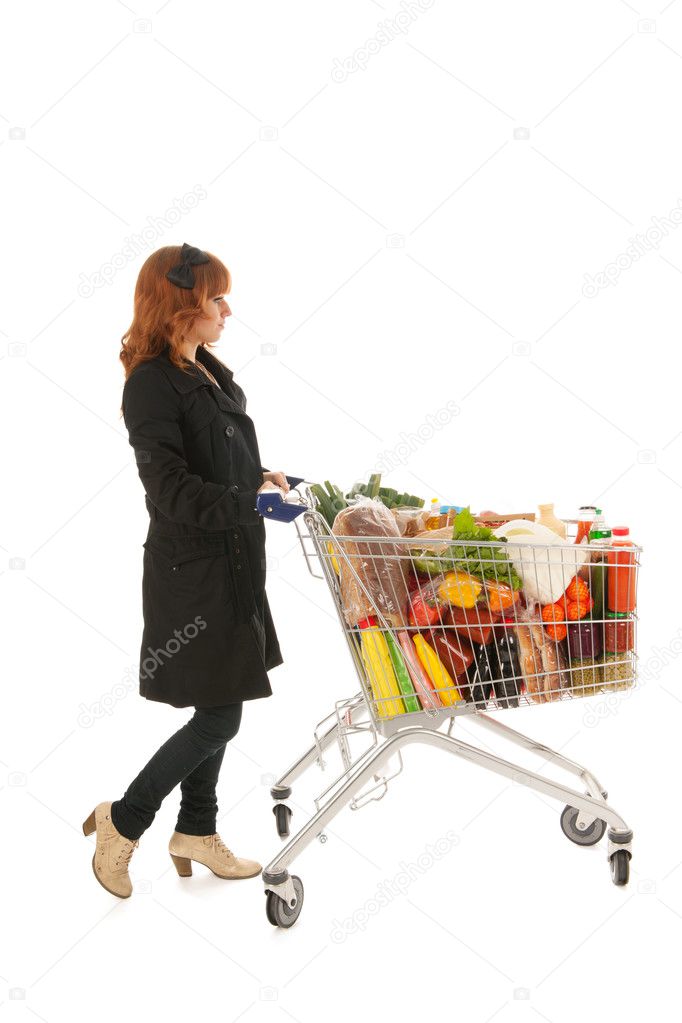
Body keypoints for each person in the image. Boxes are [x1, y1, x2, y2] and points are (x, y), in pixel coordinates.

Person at [82, 242, 288, 898]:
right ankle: (125, 818)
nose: (227, 309)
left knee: (222, 698)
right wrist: (245, 499)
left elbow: (216, 463)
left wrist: (262, 479)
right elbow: (168, 488)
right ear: (180, 307)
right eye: (215, 298)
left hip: (233, 562)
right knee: (221, 714)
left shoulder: (208, 370)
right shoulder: (150, 382)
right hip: (193, 574)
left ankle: (196, 827)